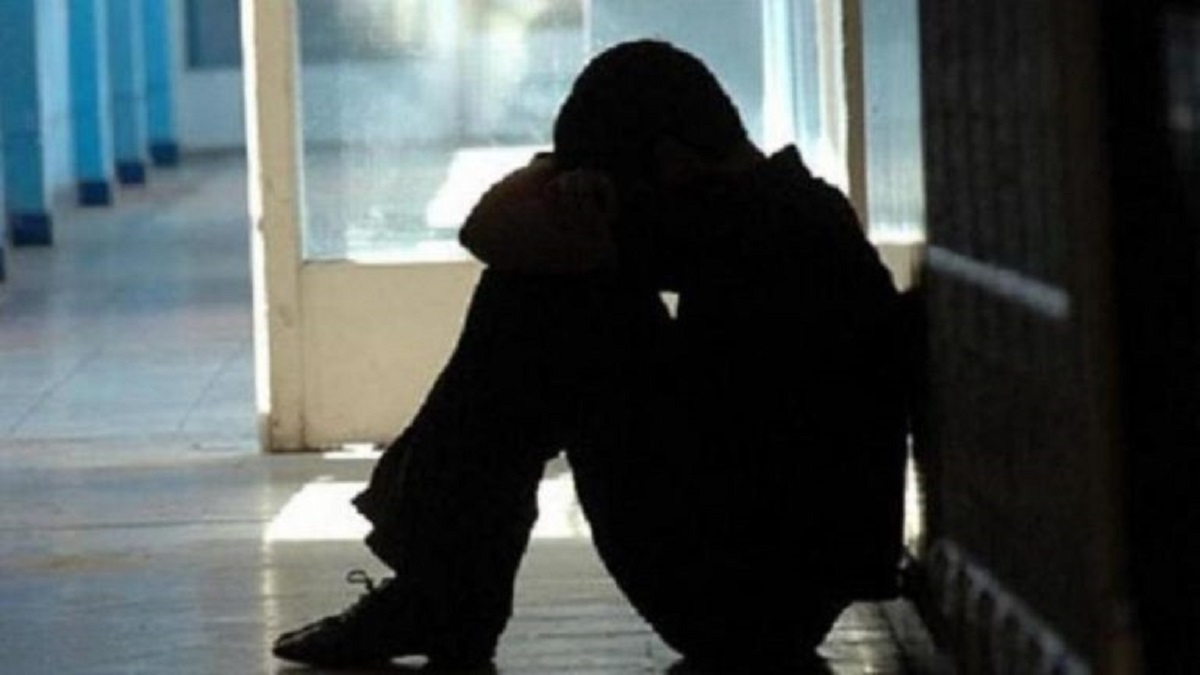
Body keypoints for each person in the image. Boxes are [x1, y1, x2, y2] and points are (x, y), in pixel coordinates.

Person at [273, 40, 907, 671]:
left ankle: (439, 596)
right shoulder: (787, 209)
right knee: (548, 288)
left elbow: (489, 231)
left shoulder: (750, 233)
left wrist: (570, 202)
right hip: (773, 592)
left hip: (740, 598)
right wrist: (576, 188)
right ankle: (440, 594)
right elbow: (492, 229)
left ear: (670, 163)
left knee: (539, 298)